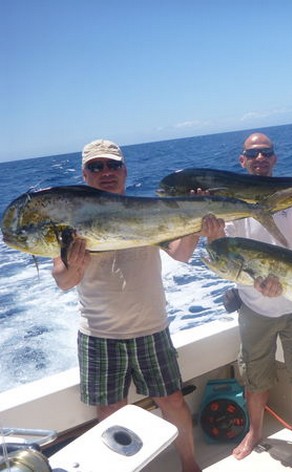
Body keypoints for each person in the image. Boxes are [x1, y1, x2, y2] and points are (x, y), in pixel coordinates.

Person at [52, 139, 215, 472]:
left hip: (150, 327)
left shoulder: (148, 211)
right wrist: (75, 266)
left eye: (112, 165)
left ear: (124, 170)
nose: (106, 172)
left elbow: (181, 254)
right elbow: (63, 280)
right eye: (96, 167)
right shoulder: (70, 218)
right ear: (84, 175)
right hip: (99, 335)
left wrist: (199, 224)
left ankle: (189, 463)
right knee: (110, 411)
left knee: (172, 401)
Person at [203, 132, 292, 472]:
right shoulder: (230, 203)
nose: (259, 158)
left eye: (265, 153)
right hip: (255, 308)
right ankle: (254, 432)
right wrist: (215, 237)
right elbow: (223, 259)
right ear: (242, 161)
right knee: (256, 377)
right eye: (252, 154)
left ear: (274, 159)